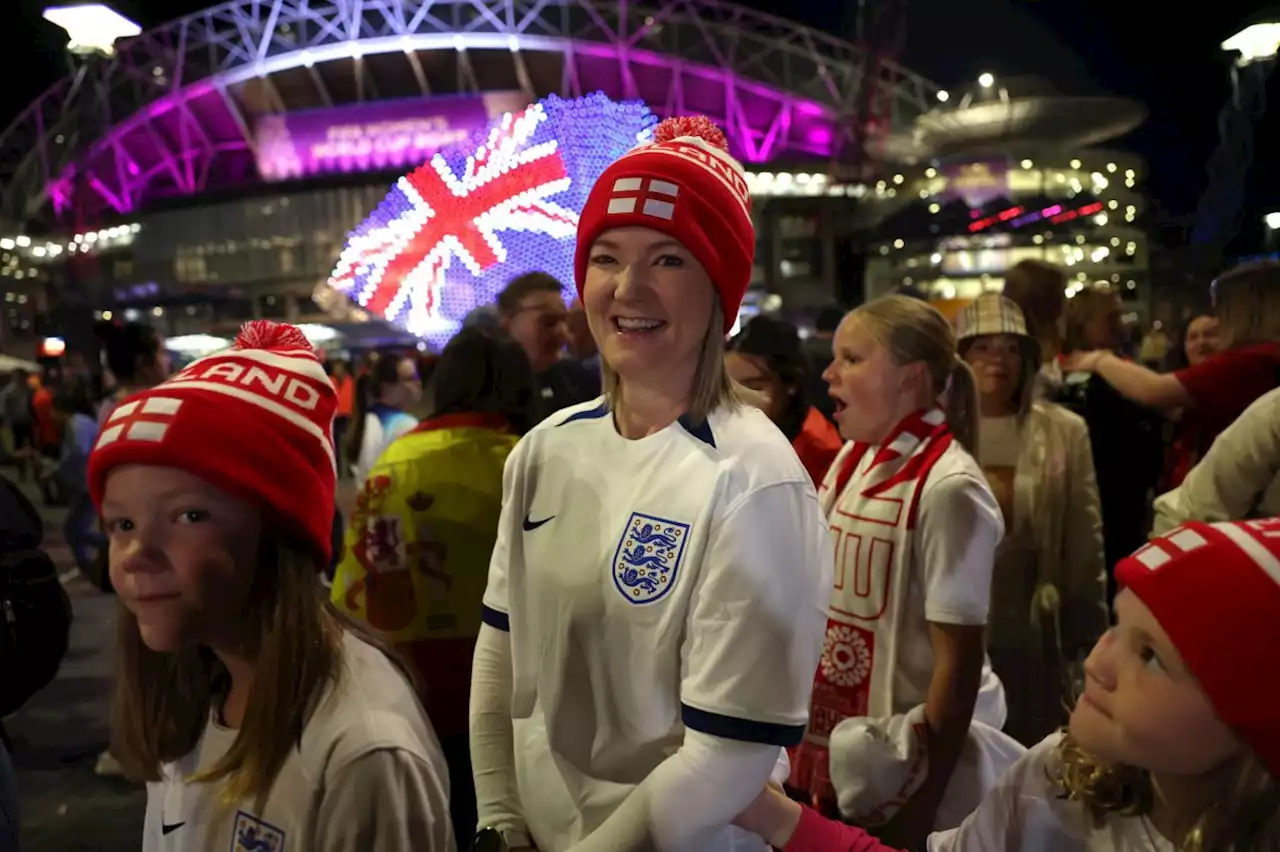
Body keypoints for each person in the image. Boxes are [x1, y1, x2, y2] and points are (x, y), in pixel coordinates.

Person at [469, 115, 833, 852]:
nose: (628, 288)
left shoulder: (757, 481)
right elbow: (502, 655)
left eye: (669, 260)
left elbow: (727, 759)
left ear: (720, 293)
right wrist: (500, 819)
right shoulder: (544, 451)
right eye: (606, 257)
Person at [89, 320, 454, 851]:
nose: (136, 555)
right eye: (122, 524)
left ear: (278, 532)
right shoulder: (192, 684)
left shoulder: (361, 752)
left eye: (188, 515)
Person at [735, 518, 1280, 852]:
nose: (1099, 662)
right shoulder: (1059, 776)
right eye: (1117, 626)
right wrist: (776, 817)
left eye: (1152, 656)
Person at [788, 296, 1006, 849]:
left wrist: (922, 804)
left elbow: (958, 664)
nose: (830, 373)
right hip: (855, 757)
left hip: (918, 777)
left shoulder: (951, 487)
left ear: (910, 378)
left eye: (853, 359)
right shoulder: (856, 457)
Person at [332, 325, 537, 840]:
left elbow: (355, 588)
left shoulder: (393, 464)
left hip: (408, 685)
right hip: (516, 690)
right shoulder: (527, 461)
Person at [956, 294, 1106, 745]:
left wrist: (1088, 626)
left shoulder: (1063, 430)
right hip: (958, 613)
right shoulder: (937, 430)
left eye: (1009, 348)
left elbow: (1085, 533)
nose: (996, 360)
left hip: (1031, 613)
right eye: (981, 347)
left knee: (1031, 735)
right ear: (958, 359)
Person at [726, 315, 842, 486]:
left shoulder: (817, 450)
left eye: (754, 388)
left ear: (790, 383)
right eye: (728, 388)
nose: (738, 400)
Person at [497, 272, 600, 420]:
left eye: (564, 321)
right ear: (507, 324)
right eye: (548, 321)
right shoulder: (487, 390)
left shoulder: (581, 382)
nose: (561, 332)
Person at [344, 351, 420, 486]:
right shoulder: (405, 426)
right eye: (410, 378)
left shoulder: (367, 419)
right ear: (386, 387)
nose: (418, 383)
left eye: (417, 376)